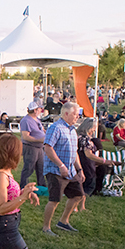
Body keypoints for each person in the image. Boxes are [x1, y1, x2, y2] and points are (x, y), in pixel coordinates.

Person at [42, 102, 85, 237]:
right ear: (66, 113)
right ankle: (46, 227)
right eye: (75, 114)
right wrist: (61, 165)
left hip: (70, 170)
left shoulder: (72, 130)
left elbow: (74, 151)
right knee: (54, 199)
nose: (77, 117)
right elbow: (48, 148)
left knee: (78, 195)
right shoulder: (56, 128)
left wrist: (79, 169)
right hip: (55, 170)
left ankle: (63, 221)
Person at [76, 118, 118, 209]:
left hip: (80, 162)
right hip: (87, 164)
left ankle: (79, 205)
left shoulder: (78, 137)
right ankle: (79, 204)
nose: (94, 131)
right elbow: (88, 154)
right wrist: (103, 161)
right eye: (94, 129)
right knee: (89, 185)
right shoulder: (86, 140)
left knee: (83, 184)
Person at [19, 101, 46, 187]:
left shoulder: (37, 119)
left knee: (41, 168)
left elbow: (42, 130)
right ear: (35, 110)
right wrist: (39, 139)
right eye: (39, 109)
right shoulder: (26, 121)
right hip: (31, 147)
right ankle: (23, 186)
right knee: (28, 168)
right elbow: (26, 136)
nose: (41, 110)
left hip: (40, 147)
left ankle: (42, 186)